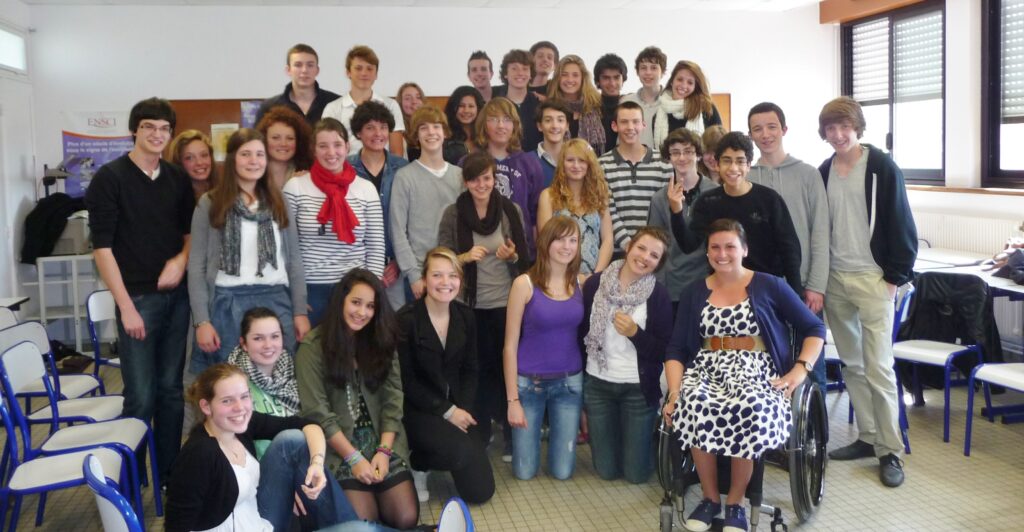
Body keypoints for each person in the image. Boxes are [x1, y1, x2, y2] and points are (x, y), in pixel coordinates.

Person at [664, 218, 825, 532]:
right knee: (693, 403)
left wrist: (799, 370)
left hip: (757, 369)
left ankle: (736, 502)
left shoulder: (770, 285)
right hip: (707, 368)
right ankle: (711, 499)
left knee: (749, 406)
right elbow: (676, 349)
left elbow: (814, 328)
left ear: (744, 250)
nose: (722, 254)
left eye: (730, 247)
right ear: (707, 253)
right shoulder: (694, 291)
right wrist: (674, 393)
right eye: (715, 247)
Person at [85, 97, 193, 484]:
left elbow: (189, 234)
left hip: (176, 300)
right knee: (141, 397)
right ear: (134, 130)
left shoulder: (177, 178)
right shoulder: (110, 178)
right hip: (137, 301)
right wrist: (125, 306)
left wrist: (181, 260)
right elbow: (102, 249)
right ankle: (132, 477)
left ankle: (168, 475)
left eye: (164, 128)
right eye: (149, 127)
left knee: (170, 393)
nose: (157, 135)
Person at [817, 96, 917, 488]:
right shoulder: (825, 170)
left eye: (845, 127)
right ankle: (868, 437)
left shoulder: (881, 168)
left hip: (875, 278)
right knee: (852, 365)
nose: (838, 134)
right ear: (824, 132)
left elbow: (901, 222)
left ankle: (890, 450)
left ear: (857, 127)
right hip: (836, 280)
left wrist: (894, 276)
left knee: (879, 367)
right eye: (831, 128)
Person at [165, 363, 378, 532]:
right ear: (206, 406)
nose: (240, 408)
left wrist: (316, 465)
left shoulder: (241, 427)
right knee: (360, 528)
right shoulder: (199, 454)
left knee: (291, 439)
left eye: (245, 396)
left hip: (260, 521)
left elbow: (309, 426)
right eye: (227, 401)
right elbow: (176, 525)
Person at [295, 269, 418, 529]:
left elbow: (394, 399)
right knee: (366, 522)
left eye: (371, 306)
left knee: (405, 517)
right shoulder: (312, 347)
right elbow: (317, 413)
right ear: (341, 301)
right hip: (340, 447)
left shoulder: (381, 340)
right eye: (356, 302)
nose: (362, 312)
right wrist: (354, 459)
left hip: (382, 440)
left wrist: (384, 451)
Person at [188, 128, 309, 373]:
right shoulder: (211, 203)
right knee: (230, 381)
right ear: (233, 159)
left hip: (276, 300)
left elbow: (294, 261)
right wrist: (202, 320)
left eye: (259, 154)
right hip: (227, 304)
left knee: (280, 377)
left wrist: (299, 311)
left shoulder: (279, 201)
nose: (253, 161)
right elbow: (197, 266)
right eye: (246, 154)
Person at [437, 151, 530, 460]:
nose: (482, 184)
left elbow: (525, 260)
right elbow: (441, 259)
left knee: (504, 370)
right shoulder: (453, 213)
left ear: (495, 180)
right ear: (466, 182)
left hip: (505, 304)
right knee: (474, 372)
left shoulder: (510, 210)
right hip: (467, 305)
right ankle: (479, 431)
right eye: (475, 179)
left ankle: (509, 431)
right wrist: (463, 258)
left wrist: (511, 256)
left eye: (487, 178)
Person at [396, 247, 495, 505]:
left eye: (452, 275)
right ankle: (419, 463)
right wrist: (447, 411)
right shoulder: (406, 320)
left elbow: (472, 369)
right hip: (420, 409)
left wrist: (461, 409)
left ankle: (447, 449)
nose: (445, 283)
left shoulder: (465, 316)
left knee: (481, 492)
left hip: (457, 407)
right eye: (437, 275)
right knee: (459, 452)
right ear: (425, 278)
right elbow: (407, 382)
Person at [580, 226, 673, 484]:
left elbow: (664, 350)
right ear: (629, 246)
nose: (645, 257)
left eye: (654, 255)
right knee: (606, 472)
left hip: (637, 388)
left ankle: (647, 443)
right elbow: (581, 333)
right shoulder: (595, 284)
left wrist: (635, 333)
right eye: (641, 248)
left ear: (659, 263)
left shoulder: (659, 295)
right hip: (598, 383)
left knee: (636, 475)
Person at [747, 102, 830, 390]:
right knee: (770, 365)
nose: (765, 134)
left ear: (784, 129)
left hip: (803, 285)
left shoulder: (807, 174)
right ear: (751, 135)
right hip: (761, 289)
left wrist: (816, 285)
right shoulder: (745, 176)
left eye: (772, 127)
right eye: (757, 129)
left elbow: (820, 232)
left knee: (810, 366)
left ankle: (816, 435)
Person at [670, 131, 803, 296]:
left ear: (748, 165)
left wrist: (797, 294)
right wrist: (676, 211)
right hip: (723, 288)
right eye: (727, 161)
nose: (733, 168)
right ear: (717, 165)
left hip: (765, 288)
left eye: (740, 161)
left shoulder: (769, 199)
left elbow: (789, 249)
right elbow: (688, 245)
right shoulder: (708, 201)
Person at [503, 216, 586, 480]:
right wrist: (512, 400)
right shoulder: (524, 285)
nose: (567, 246)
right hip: (529, 385)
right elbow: (509, 346)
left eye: (573, 240)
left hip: (569, 383)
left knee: (563, 473)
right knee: (525, 472)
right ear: (545, 242)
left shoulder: (581, 284)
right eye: (560, 239)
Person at [284, 118, 386, 326]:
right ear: (314, 150)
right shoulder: (295, 187)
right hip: (311, 291)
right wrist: (297, 298)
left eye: (337, 145)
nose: (331, 153)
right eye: (323, 146)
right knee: (312, 354)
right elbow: (286, 249)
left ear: (347, 147)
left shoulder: (366, 189)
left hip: (355, 291)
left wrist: (369, 294)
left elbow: (376, 247)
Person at [389, 105, 463, 304]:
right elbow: (397, 230)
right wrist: (413, 275)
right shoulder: (404, 177)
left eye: (436, 126)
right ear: (415, 135)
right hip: (420, 275)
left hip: (454, 273)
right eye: (423, 128)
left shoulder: (459, 176)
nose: (431, 132)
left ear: (445, 133)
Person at [646, 128, 718, 316]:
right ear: (668, 158)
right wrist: (659, 289)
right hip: (674, 286)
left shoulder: (716, 193)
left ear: (699, 155)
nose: (682, 157)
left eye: (688, 151)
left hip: (710, 281)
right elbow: (655, 246)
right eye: (675, 153)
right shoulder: (659, 199)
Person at [345, 101, 410, 309]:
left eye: (383, 127)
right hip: (355, 265)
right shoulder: (345, 168)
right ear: (358, 133)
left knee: (395, 328)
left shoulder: (403, 168)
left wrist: (399, 262)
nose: (378, 133)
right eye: (370, 128)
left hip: (394, 266)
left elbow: (410, 219)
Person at [474, 97, 545, 258]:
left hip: (522, 249)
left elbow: (535, 215)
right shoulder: (469, 162)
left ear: (515, 125)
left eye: (507, 119)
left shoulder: (529, 163)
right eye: (493, 119)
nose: (500, 125)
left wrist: (536, 256)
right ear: (484, 125)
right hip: (481, 252)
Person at [226, 307, 302, 458]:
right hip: (255, 469)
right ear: (244, 343)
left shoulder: (298, 372)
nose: (268, 345)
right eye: (258, 338)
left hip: (299, 462)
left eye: (274, 336)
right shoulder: (230, 382)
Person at [599, 101, 673, 253]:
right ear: (615, 126)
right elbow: (607, 211)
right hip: (618, 252)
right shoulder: (601, 165)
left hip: (655, 251)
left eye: (635, 122)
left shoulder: (664, 163)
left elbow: (665, 210)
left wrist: (646, 247)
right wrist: (628, 245)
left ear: (643, 125)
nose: (630, 127)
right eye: (624, 122)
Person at [537, 138, 613, 276]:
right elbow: (545, 241)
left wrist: (595, 276)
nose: (576, 165)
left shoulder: (600, 196)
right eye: (570, 160)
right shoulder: (548, 196)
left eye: (582, 160)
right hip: (558, 276)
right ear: (562, 164)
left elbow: (608, 240)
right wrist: (569, 277)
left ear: (590, 164)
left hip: (593, 277)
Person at [322, 45, 405, 155]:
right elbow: (328, 149)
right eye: (358, 68)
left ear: (376, 74)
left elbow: (397, 152)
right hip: (345, 170)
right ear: (348, 72)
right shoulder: (333, 108)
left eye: (369, 68)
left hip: (384, 170)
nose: (364, 73)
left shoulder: (390, 105)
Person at [256, 43, 341, 126]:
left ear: (317, 70)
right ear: (288, 70)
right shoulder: (270, 108)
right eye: (298, 65)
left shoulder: (336, 103)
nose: (304, 70)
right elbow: (259, 139)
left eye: (310, 65)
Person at [652, 60, 722, 151]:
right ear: (672, 81)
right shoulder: (659, 114)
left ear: (695, 87)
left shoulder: (707, 108)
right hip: (666, 165)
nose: (683, 85)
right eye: (680, 79)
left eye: (690, 82)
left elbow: (720, 145)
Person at [547, 55, 605, 153]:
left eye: (575, 75)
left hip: (593, 165)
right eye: (564, 74)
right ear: (557, 78)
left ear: (583, 78)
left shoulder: (598, 105)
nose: (570, 80)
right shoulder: (549, 108)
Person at [256, 106, 314, 191]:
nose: (283, 144)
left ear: (299, 141)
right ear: (264, 139)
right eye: (276, 138)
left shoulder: (307, 175)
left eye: (290, 138)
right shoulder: (253, 172)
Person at [497, 49, 543, 153]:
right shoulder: (495, 106)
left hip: (535, 163)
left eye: (525, 69)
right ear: (505, 74)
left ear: (531, 74)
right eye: (514, 69)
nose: (520, 73)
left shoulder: (540, 105)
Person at [621, 46, 667, 149]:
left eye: (654, 68)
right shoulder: (626, 102)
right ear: (637, 72)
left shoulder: (671, 102)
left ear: (663, 72)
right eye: (643, 68)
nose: (648, 72)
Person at [532, 99, 571, 188]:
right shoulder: (527, 161)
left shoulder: (578, 160)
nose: (555, 126)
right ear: (539, 126)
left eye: (560, 120)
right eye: (548, 120)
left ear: (567, 126)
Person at [169, 129, 216, 200]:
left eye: (204, 155)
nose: (199, 162)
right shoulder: (172, 198)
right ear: (179, 163)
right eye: (189, 158)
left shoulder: (223, 192)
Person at [593, 53, 627, 152]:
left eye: (616, 77)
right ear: (598, 81)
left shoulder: (631, 105)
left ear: (623, 79)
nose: (612, 83)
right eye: (606, 78)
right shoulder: (589, 110)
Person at [443, 86, 484, 164]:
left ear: (478, 109)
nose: (466, 110)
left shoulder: (486, 135)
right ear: (453, 108)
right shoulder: (445, 136)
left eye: (471, 106)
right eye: (461, 106)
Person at [396, 82, 425, 160]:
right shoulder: (397, 130)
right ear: (400, 103)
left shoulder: (430, 126)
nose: (414, 101)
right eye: (408, 98)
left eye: (418, 97)